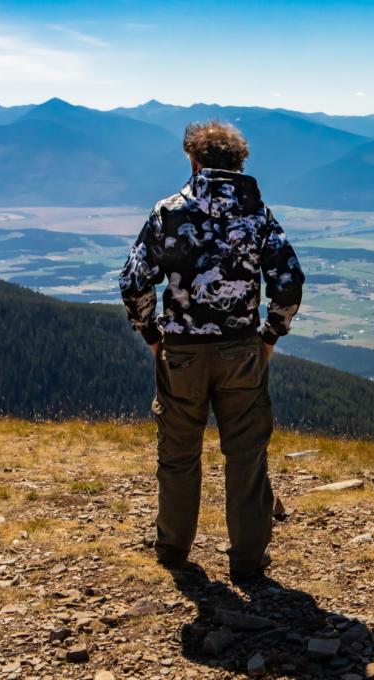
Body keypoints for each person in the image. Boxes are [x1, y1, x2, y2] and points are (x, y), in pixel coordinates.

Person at [118, 121, 305, 583]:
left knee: (179, 454)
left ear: (193, 160)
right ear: (240, 163)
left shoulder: (168, 212)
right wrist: (268, 337)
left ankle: (173, 549)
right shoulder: (258, 215)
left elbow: (134, 281)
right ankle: (246, 560)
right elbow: (288, 283)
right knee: (246, 455)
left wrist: (152, 335)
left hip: (181, 350)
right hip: (240, 349)